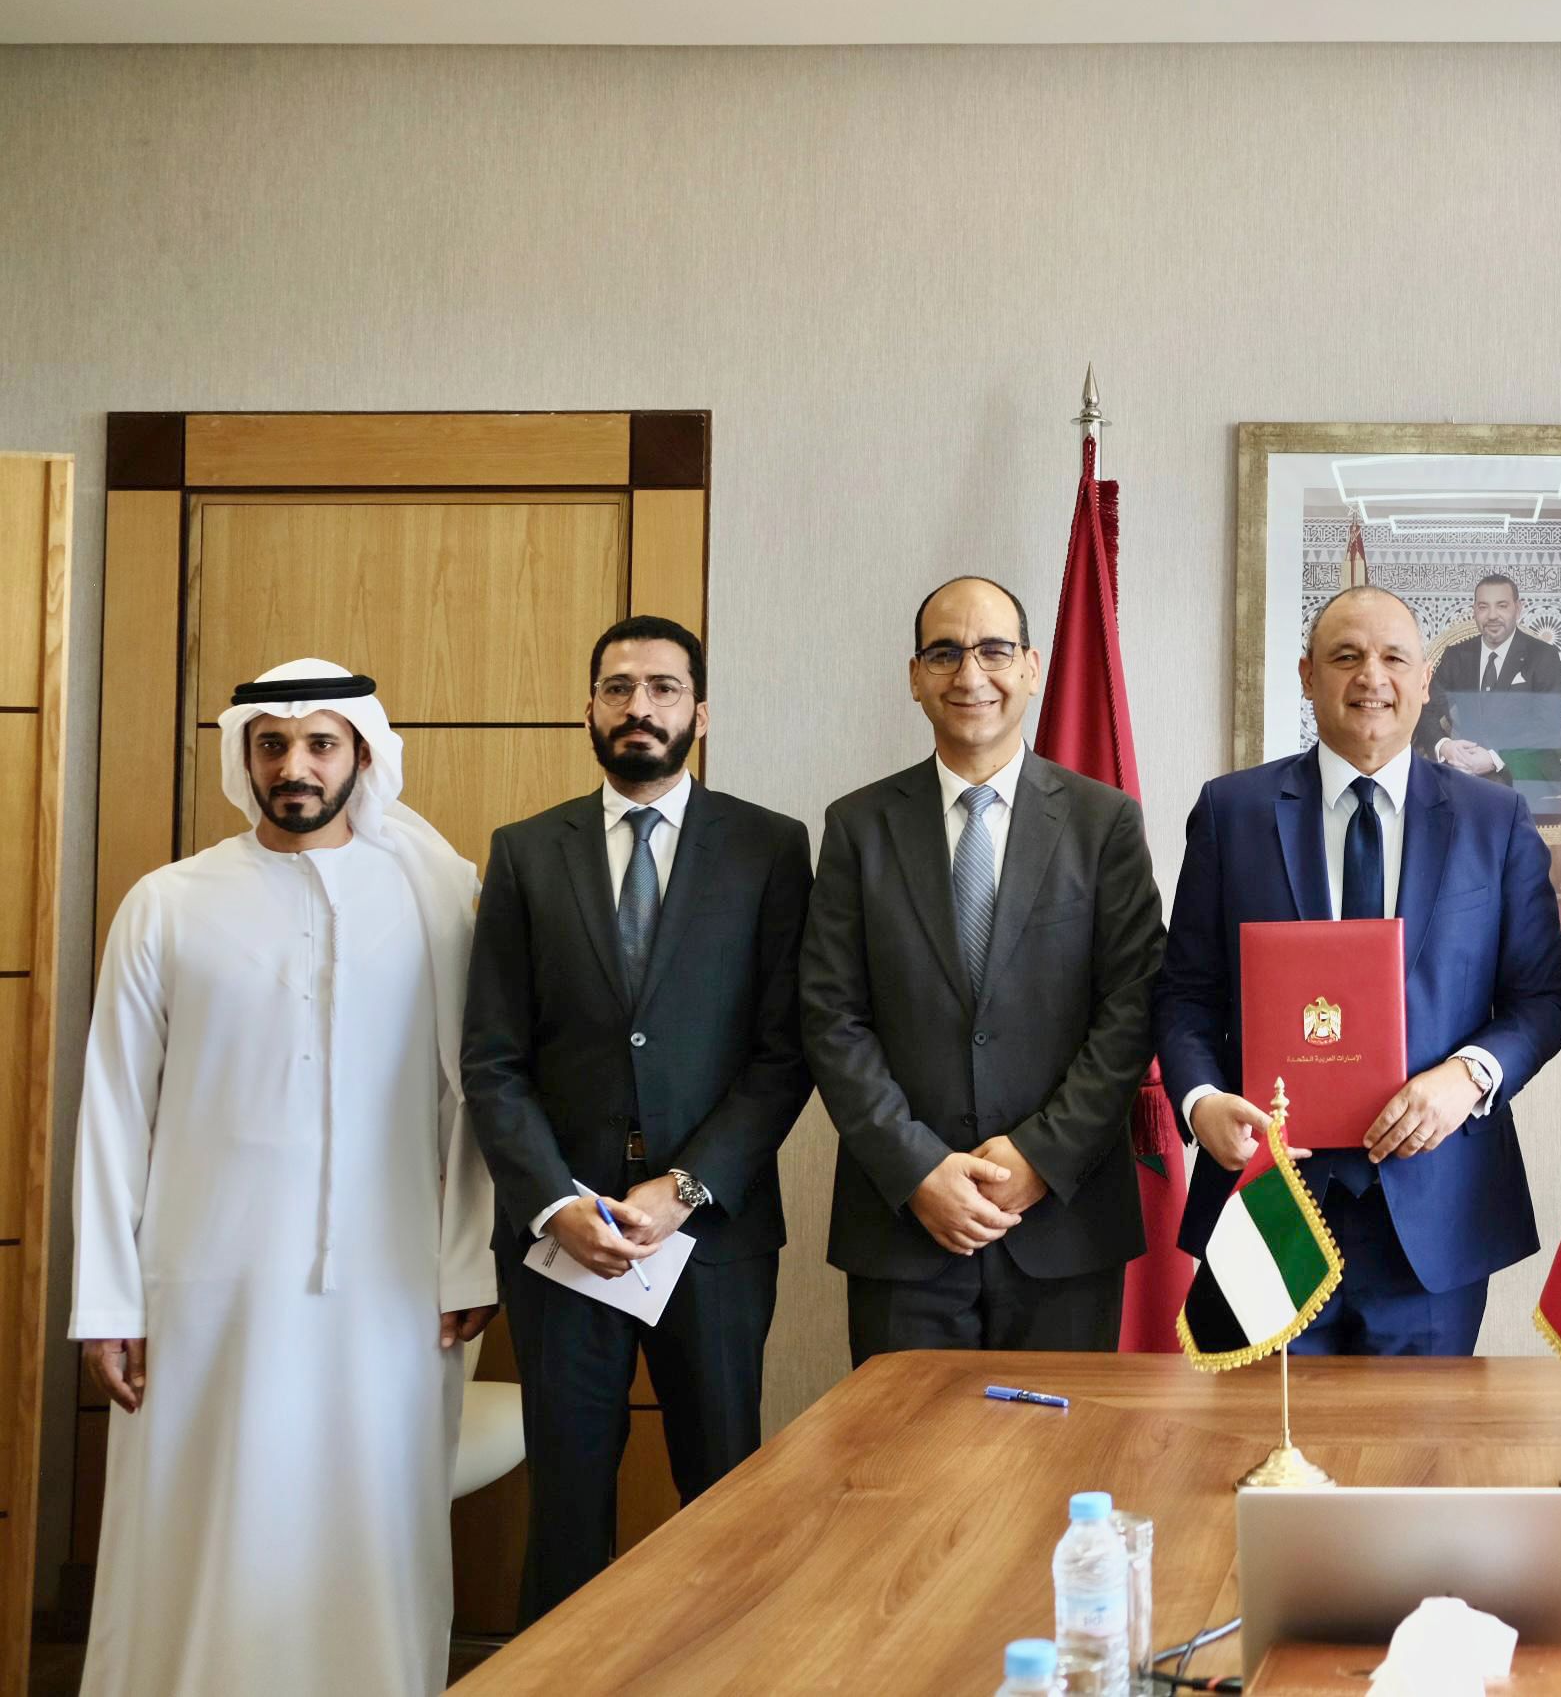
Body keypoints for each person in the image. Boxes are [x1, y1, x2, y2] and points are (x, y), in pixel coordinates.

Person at [69, 660, 495, 1696]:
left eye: (319, 744)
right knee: (196, 1524)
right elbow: (114, 1110)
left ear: (362, 754)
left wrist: (466, 1261)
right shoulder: (167, 904)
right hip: (202, 1286)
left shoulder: (439, 900)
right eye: (272, 744)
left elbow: (474, 1101)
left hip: (392, 1287)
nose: (293, 766)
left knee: (374, 1526)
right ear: (244, 757)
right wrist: (108, 1301)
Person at [462, 615, 815, 1621]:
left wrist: (684, 1187)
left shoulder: (770, 846)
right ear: (588, 710)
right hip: (563, 1237)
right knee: (568, 1503)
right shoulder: (526, 852)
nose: (640, 707)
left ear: (700, 711)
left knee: (724, 1486)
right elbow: (492, 1058)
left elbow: (786, 1050)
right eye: (618, 688)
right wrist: (553, 1202)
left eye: (664, 688)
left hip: (712, 1234)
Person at [1154, 584, 1561, 1355]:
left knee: (1419, 1436)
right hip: (1267, 1203)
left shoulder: (1495, 820)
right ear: (1307, 676)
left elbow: (1541, 999)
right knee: (1261, 1432)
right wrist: (1202, 1103)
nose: (1370, 677)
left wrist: (1468, 1078)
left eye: (1393, 659)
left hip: (1435, 1211)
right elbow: (1185, 994)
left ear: (1425, 682)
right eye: (1346, 656)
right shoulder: (1232, 812)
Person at [803, 577, 1165, 1359]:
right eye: (944, 653)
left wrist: (1041, 1156)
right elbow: (831, 1018)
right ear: (915, 677)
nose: (970, 674)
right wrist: (918, 1169)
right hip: (906, 1226)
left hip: (1064, 1224)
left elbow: (1131, 1007)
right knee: (907, 1444)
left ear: (1032, 667)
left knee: (1058, 1439)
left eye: (994, 650)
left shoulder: (1104, 823)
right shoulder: (858, 827)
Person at [1422, 573, 1561, 792]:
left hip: (1525, 771)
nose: (1492, 616)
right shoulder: (1456, 656)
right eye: (1483, 607)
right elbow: (1426, 709)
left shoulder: (1543, 655)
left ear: (1518, 608)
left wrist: (1494, 757)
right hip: (1463, 771)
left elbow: (1546, 726)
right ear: (1474, 611)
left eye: (1502, 606)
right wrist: (1445, 747)